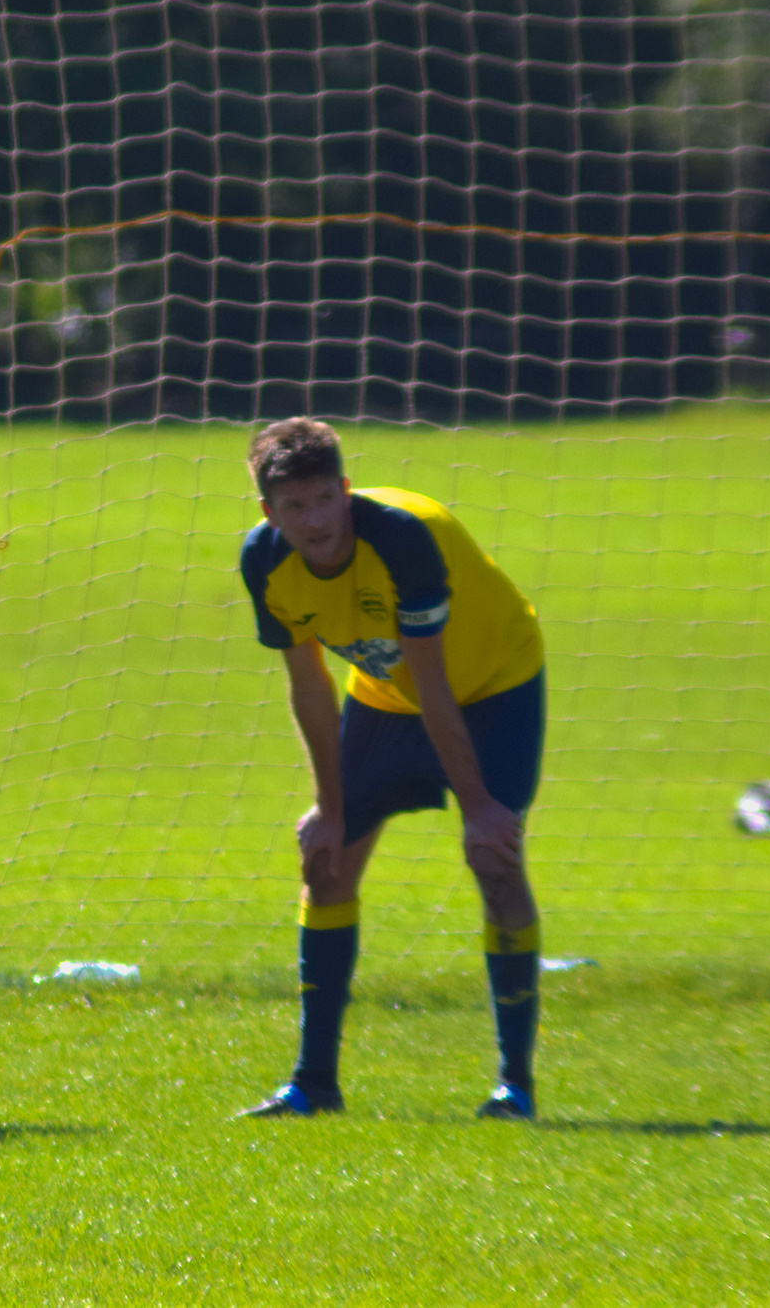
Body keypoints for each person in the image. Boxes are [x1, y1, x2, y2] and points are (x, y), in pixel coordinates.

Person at [235, 417, 546, 1121]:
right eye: (295, 506)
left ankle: (515, 1087)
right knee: (327, 863)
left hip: (495, 685)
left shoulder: (404, 538)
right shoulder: (264, 562)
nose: (316, 519)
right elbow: (310, 687)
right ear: (269, 512)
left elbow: (436, 685)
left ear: (346, 489)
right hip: (384, 695)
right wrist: (329, 809)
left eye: (325, 499)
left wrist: (478, 808)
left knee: (496, 861)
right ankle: (314, 1084)